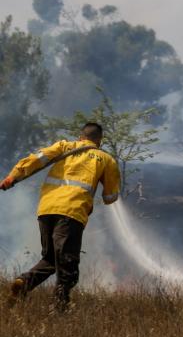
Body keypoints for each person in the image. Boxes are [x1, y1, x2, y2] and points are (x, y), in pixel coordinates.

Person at [1, 122, 121, 311]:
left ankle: (23, 283)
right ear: (99, 140)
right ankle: (59, 310)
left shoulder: (64, 146)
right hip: (71, 213)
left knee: (50, 259)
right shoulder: (105, 159)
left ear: (81, 137)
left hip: (46, 210)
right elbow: (110, 198)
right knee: (68, 265)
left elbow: (36, 159)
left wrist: (12, 177)